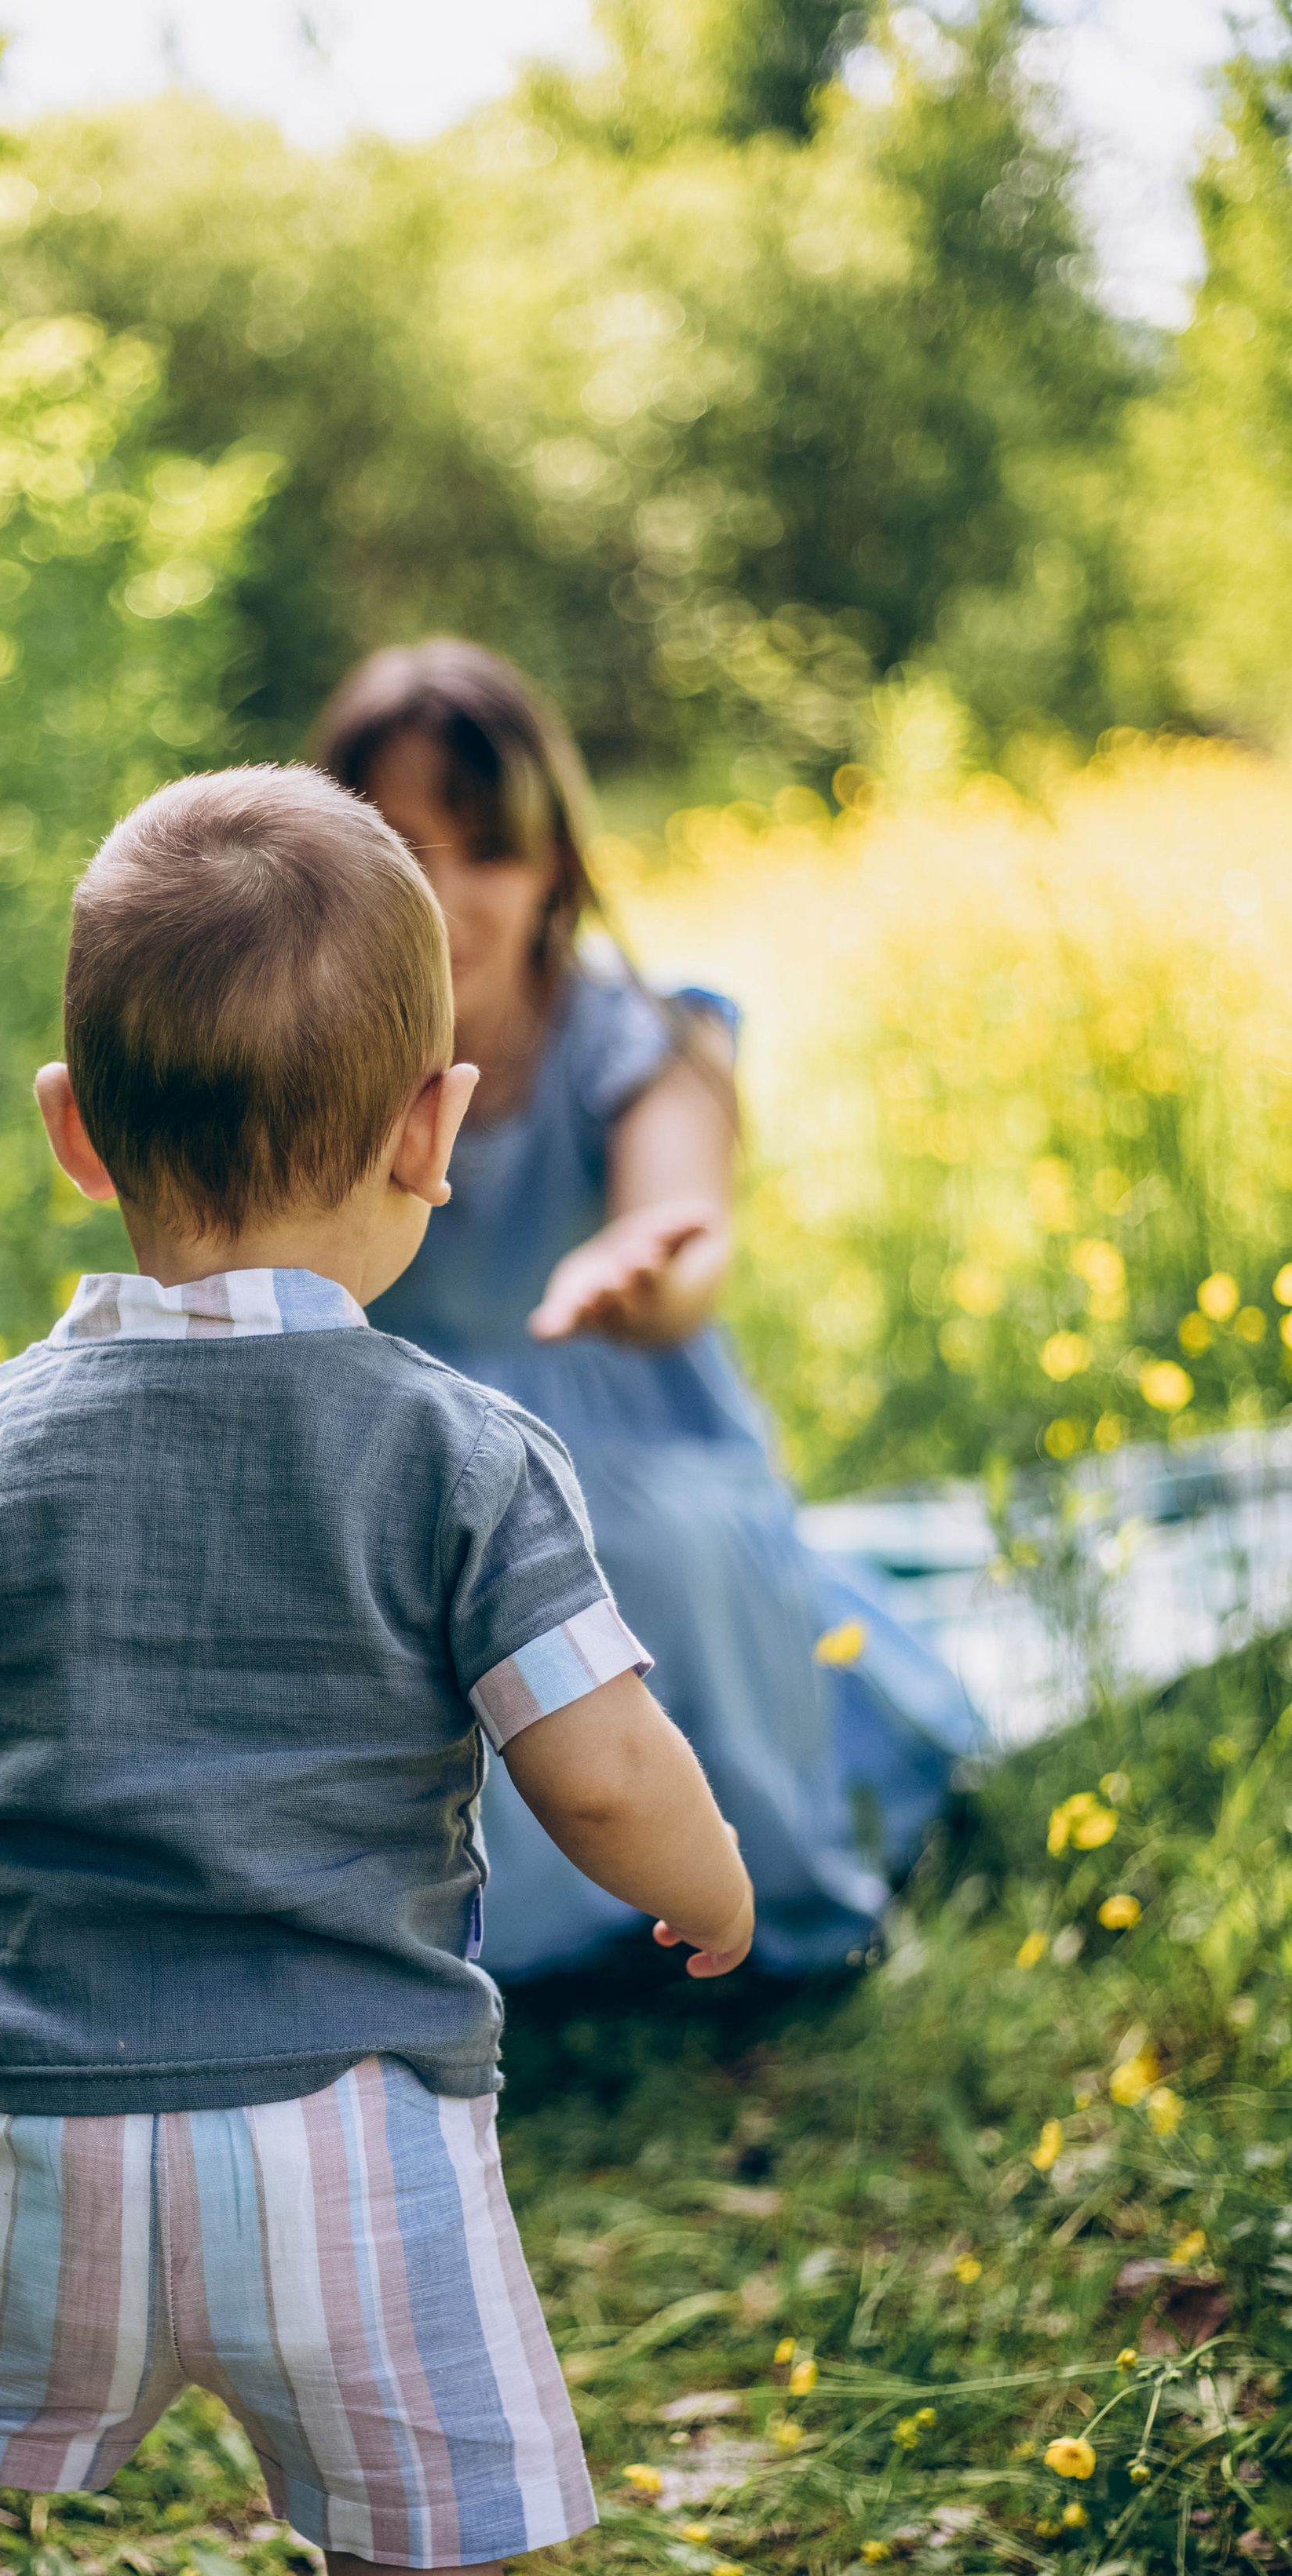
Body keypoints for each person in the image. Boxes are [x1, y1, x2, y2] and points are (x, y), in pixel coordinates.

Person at [0, 764, 754, 2576]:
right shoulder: (466, 1453)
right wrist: (705, 1882)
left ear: (72, 1129)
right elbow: (597, 1766)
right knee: (423, 2518)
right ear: (435, 1126)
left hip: (41, 2115)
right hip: (355, 2126)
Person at [315, 641, 976, 1985]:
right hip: (407, 1447)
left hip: (631, 1434)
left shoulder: (641, 1038)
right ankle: (445, 1934)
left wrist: (643, 1270)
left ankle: (753, 1906)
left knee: (652, 1545)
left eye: (488, 848)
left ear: (554, 856)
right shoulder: (320, 1064)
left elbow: (681, 1241)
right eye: (406, 850)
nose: (450, 894)